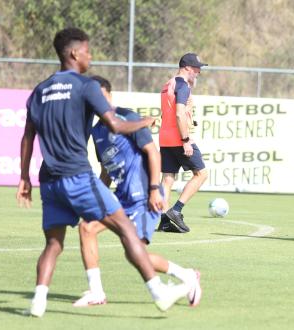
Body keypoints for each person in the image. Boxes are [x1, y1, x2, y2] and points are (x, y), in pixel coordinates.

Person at [16, 27, 188, 317]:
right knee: (126, 229)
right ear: (73, 53)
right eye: (87, 50)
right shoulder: (85, 86)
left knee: (53, 244)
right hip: (77, 177)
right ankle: (159, 292)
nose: (90, 55)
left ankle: (38, 302)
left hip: (49, 181)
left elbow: (27, 136)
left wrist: (23, 177)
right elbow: (116, 125)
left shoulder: (39, 91)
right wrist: (146, 122)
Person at [72, 76, 202, 308]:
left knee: (135, 254)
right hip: (121, 200)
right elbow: (107, 169)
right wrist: (96, 197)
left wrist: (155, 190)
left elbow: (152, 153)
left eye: (100, 97)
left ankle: (187, 276)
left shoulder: (128, 117)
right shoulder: (97, 132)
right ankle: (96, 292)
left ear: (109, 97)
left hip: (144, 199)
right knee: (87, 228)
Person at [157, 53, 209, 233]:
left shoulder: (167, 85)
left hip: (164, 137)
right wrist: (185, 140)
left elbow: (168, 113)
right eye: (196, 68)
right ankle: (176, 210)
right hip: (179, 138)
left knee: (168, 178)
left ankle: (164, 221)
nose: (199, 72)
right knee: (201, 174)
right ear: (187, 67)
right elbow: (178, 113)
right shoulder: (182, 85)